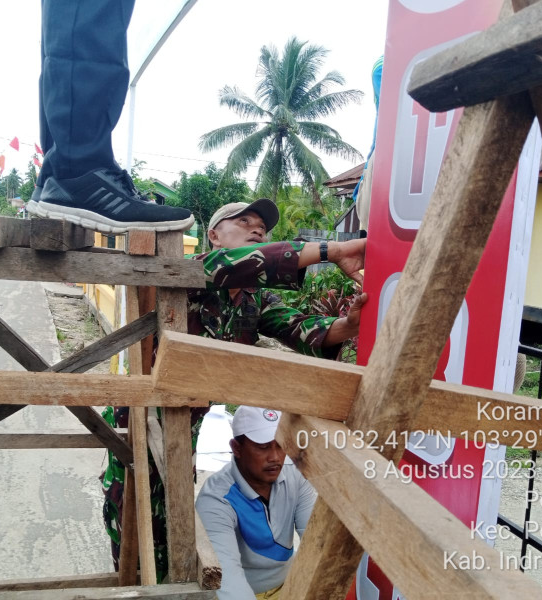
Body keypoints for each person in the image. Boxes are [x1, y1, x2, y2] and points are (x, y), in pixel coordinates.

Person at [101, 198, 367, 581]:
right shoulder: (193, 271)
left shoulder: (253, 299)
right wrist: (333, 250)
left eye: (262, 226)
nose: (257, 228)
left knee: (172, 522)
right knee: (131, 520)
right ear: (213, 236)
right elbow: (241, 264)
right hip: (139, 418)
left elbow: (304, 330)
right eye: (244, 221)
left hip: (186, 423)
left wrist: (348, 325)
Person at [30, 1, 194, 234]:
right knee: (92, 11)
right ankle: (79, 169)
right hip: (75, 164)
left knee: (67, 18)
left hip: (59, 163)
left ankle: (57, 173)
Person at [196, 407, 314, 600]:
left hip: (290, 584)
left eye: (280, 444)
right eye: (263, 447)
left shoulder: (295, 475)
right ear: (237, 448)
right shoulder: (216, 499)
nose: (275, 457)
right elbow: (228, 579)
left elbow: (315, 538)